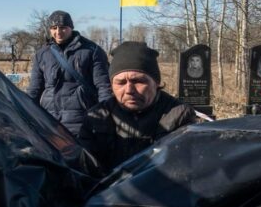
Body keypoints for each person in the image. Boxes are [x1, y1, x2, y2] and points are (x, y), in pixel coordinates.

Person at [77, 41, 197, 174]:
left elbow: (182, 168)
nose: (129, 90)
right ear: (111, 85)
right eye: (121, 82)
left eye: (138, 81)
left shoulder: (178, 115)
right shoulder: (97, 117)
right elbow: (86, 170)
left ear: (156, 82)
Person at [27, 11, 113, 136]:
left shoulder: (91, 51)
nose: (58, 32)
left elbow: (103, 86)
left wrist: (106, 115)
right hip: (50, 121)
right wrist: (25, 113)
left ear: (71, 27)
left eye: (62, 28)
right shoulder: (42, 54)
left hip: (82, 120)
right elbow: (34, 89)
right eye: (54, 28)